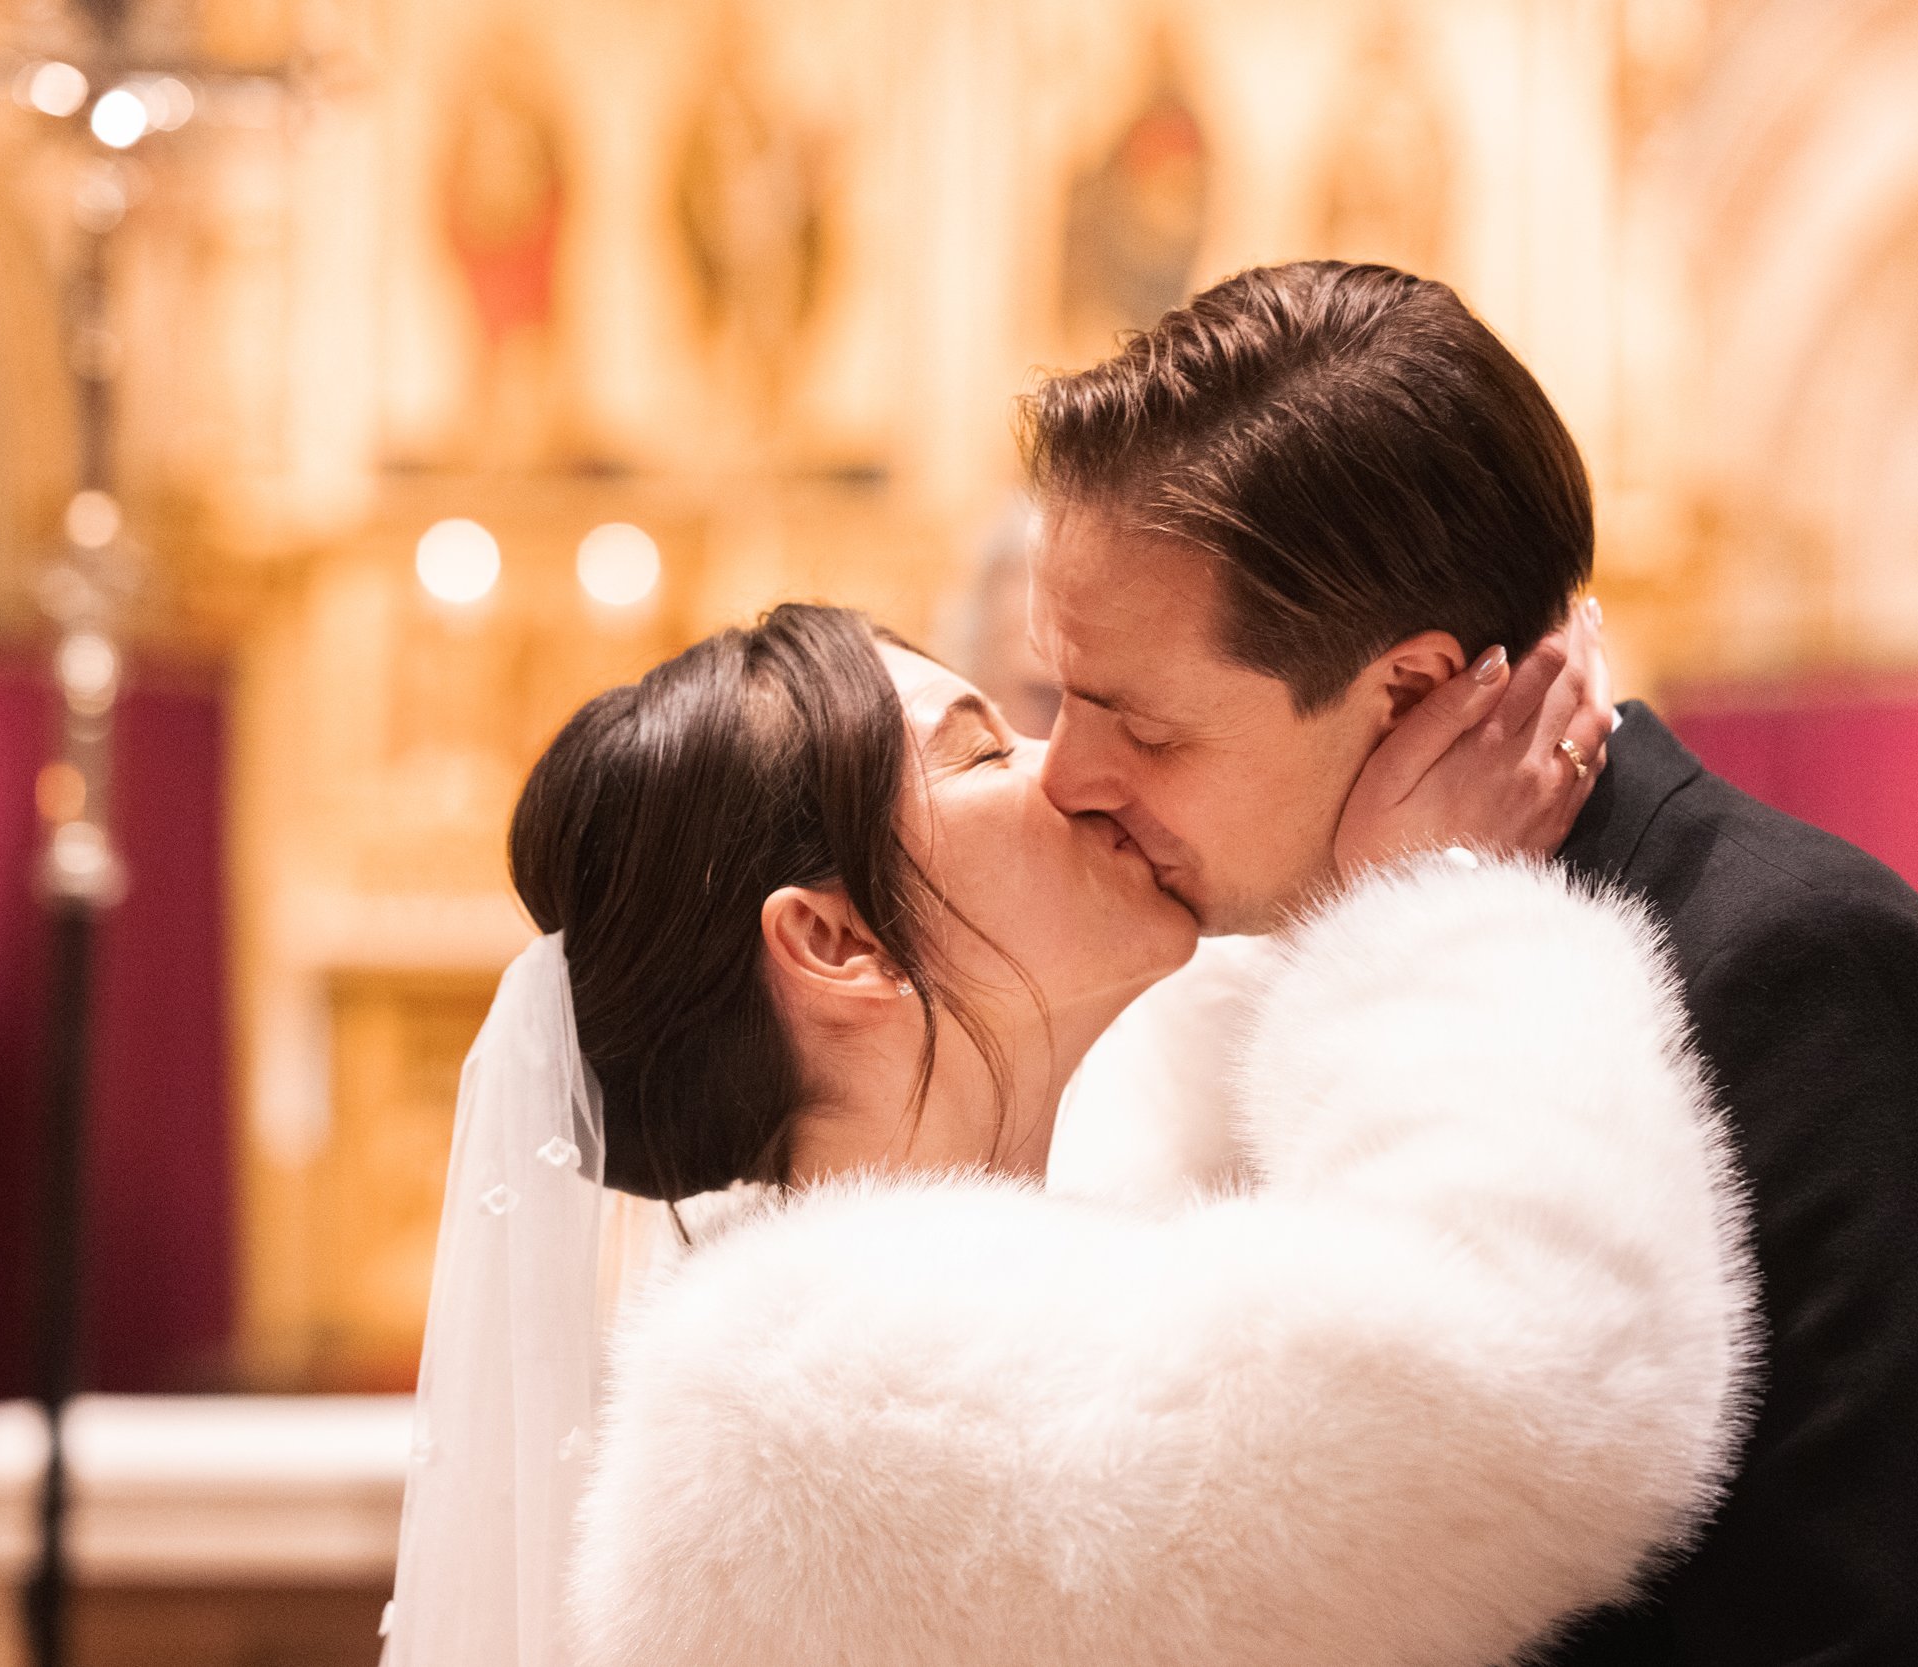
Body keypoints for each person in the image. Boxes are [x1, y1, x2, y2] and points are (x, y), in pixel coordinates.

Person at [1025, 260, 1918, 1664]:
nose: (1066, 776)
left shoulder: (1807, 979)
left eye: (1141, 728)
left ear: (1405, 690)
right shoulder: (1270, 970)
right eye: (1057, 699)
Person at [377, 602, 1758, 1667]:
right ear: (839, 941)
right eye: (981, 750)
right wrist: (1444, 903)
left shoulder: (980, 1269)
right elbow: (1551, 1380)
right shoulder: (824, 1401)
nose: (1075, 768)